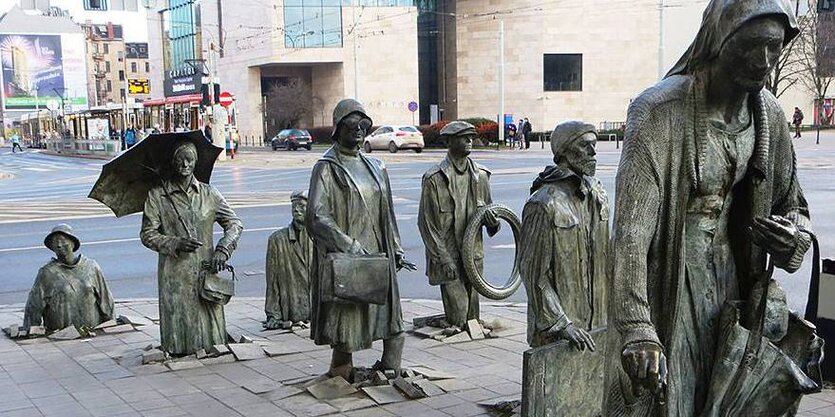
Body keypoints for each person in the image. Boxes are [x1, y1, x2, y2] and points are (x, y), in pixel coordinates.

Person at [605, 1, 816, 415]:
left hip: (734, 283)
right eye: (752, 45)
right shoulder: (658, 112)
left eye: (774, 48)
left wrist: (793, 237)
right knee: (676, 399)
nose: (764, 61)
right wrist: (636, 327)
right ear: (720, 39)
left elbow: (796, 206)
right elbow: (630, 234)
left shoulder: (769, 115)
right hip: (673, 281)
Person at [307, 98, 417, 381]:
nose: (358, 130)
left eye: (363, 125)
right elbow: (317, 217)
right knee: (348, 315)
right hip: (350, 255)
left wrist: (396, 248)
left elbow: (387, 212)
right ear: (338, 128)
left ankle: (390, 363)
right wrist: (349, 245)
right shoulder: (327, 168)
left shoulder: (377, 165)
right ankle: (342, 368)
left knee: (390, 315)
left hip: (380, 252)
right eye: (352, 124)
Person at [140, 141, 243, 355]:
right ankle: (180, 351)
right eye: (180, 159)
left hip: (206, 270)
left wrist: (223, 250)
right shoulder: (158, 195)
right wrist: (174, 243)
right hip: (175, 274)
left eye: (189, 159)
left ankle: (210, 348)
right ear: (173, 161)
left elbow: (234, 223)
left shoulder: (209, 193)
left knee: (210, 329)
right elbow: (147, 234)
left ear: (196, 162)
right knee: (180, 327)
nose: (184, 164)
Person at [519, 121, 608, 350]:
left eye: (594, 145)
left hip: (596, 323)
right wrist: (560, 323)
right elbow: (533, 274)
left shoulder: (597, 193)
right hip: (559, 332)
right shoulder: (543, 203)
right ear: (564, 152)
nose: (593, 152)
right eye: (585, 146)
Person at [418, 121, 499, 332]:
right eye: (464, 137)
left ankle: (456, 323)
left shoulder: (481, 176)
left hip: (474, 254)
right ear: (449, 141)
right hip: (449, 254)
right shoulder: (434, 179)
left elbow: (492, 220)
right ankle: (449, 321)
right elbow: (427, 225)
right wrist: (443, 258)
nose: (470, 141)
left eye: (471, 137)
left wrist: (493, 223)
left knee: (472, 319)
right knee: (460, 318)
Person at [23, 224, 115, 332]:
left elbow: (106, 299)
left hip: (92, 331)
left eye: (62, 240)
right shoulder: (47, 273)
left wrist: (112, 325)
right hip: (62, 335)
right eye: (54, 242)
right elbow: (34, 306)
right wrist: (31, 331)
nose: (59, 245)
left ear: (72, 243)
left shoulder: (91, 267)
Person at [264, 191, 313, 329]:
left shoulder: (320, 237)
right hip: (292, 309)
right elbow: (272, 282)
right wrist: (273, 315)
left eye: (301, 206)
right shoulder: (277, 240)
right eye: (294, 206)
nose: (296, 209)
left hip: (315, 313)